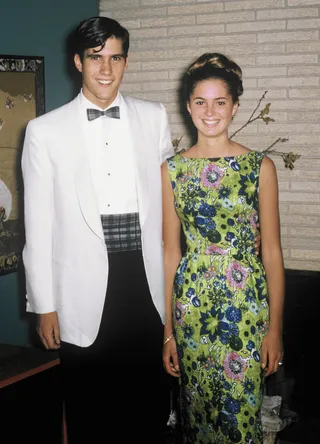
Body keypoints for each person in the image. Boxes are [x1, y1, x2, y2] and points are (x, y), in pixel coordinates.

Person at [21, 16, 175, 444]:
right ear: (77, 62)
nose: (106, 69)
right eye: (95, 58)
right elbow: (38, 224)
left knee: (148, 408)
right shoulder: (43, 131)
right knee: (91, 412)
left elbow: (170, 204)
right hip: (81, 290)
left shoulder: (154, 117)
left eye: (115, 58)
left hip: (144, 284)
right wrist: (44, 304)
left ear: (126, 62)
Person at [161, 52, 285, 443]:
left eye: (220, 101)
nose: (210, 111)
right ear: (188, 106)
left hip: (246, 306)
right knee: (196, 417)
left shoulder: (259, 167)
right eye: (200, 101)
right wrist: (168, 331)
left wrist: (274, 329)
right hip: (191, 309)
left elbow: (273, 254)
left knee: (240, 417)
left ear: (234, 106)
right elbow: (170, 254)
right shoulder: (171, 171)